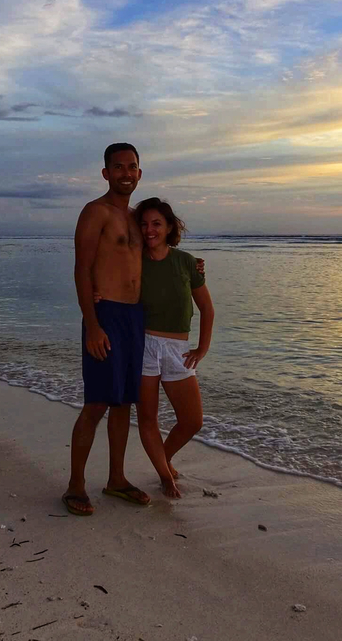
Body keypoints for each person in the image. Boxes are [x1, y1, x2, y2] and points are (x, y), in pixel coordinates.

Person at [62, 142, 152, 516]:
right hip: (106, 316)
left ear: (139, 173)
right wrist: (93, 326)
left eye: (132, 167)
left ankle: (116, 479)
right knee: (97, 402)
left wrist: (193, 269)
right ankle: (75, 486)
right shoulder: (95, 212)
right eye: (118, 167)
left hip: (134, 317)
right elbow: (82, 269)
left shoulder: (136, 217)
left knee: (123, 404)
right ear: (105, 173)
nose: (126, 173)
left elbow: (157, 258)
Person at [134, 198, 214, 498]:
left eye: (156, 223)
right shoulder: (133, 259)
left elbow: (207, 308)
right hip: (143, 345)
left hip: (177, 348)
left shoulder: (187, 262)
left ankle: (163, 458)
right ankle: (165, 476)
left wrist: (202, 349)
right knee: (148, 419)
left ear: (169, 227)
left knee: (192, 420)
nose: (149, 229)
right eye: (143, 224)